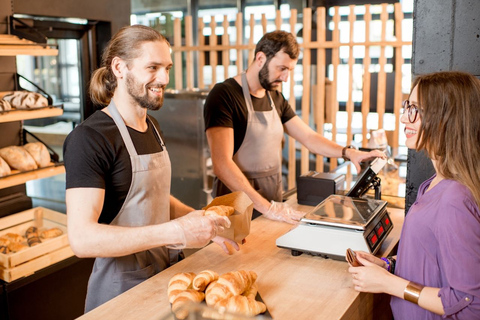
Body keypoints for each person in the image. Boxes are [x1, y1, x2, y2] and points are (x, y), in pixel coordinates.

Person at [63, 25, 238, 312]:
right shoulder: (90, 138)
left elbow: (151, 197)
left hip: (167, 278)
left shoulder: (152, 127)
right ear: (119, 67)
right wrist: (177, 232)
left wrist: (202, 221)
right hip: (121, 294)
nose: (164, 78)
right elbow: (82, 239)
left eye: (167, 68)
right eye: (153, 67)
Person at [203, 30, 384, 223]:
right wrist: (268, 208)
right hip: (235, 208)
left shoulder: (275, 97)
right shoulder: (224, 95)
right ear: (260, 58)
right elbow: (222, 165)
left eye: (289, 70)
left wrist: (348, 153)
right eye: (281, 68)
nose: (285, 78)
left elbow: (309, 137)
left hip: (271, 203)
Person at [347, 71, 480, 319]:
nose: (404, 118)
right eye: (408, 106)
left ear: (446, 117)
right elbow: (433, 261)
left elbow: (470, 303)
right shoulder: (432, 183)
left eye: (415, 109)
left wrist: (388, 283)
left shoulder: (455, 199)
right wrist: (388, 266)